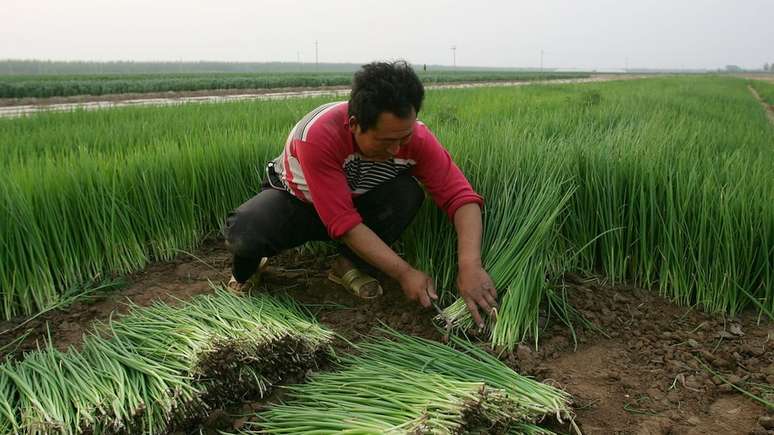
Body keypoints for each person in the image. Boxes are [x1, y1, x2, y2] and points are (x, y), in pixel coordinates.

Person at [222, 60, 497, 327]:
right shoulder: (318, 135)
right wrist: (404, 273)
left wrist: (469, 264)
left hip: (359, 203)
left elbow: (461, 198)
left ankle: (347, 265)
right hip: (299, 204)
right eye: (386, 141)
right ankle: (248, 270)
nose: (396, 149)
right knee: (247, 231)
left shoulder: (416, 139)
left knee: (407, 193)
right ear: (354, 125)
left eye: (404, 138)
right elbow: (343, 222)